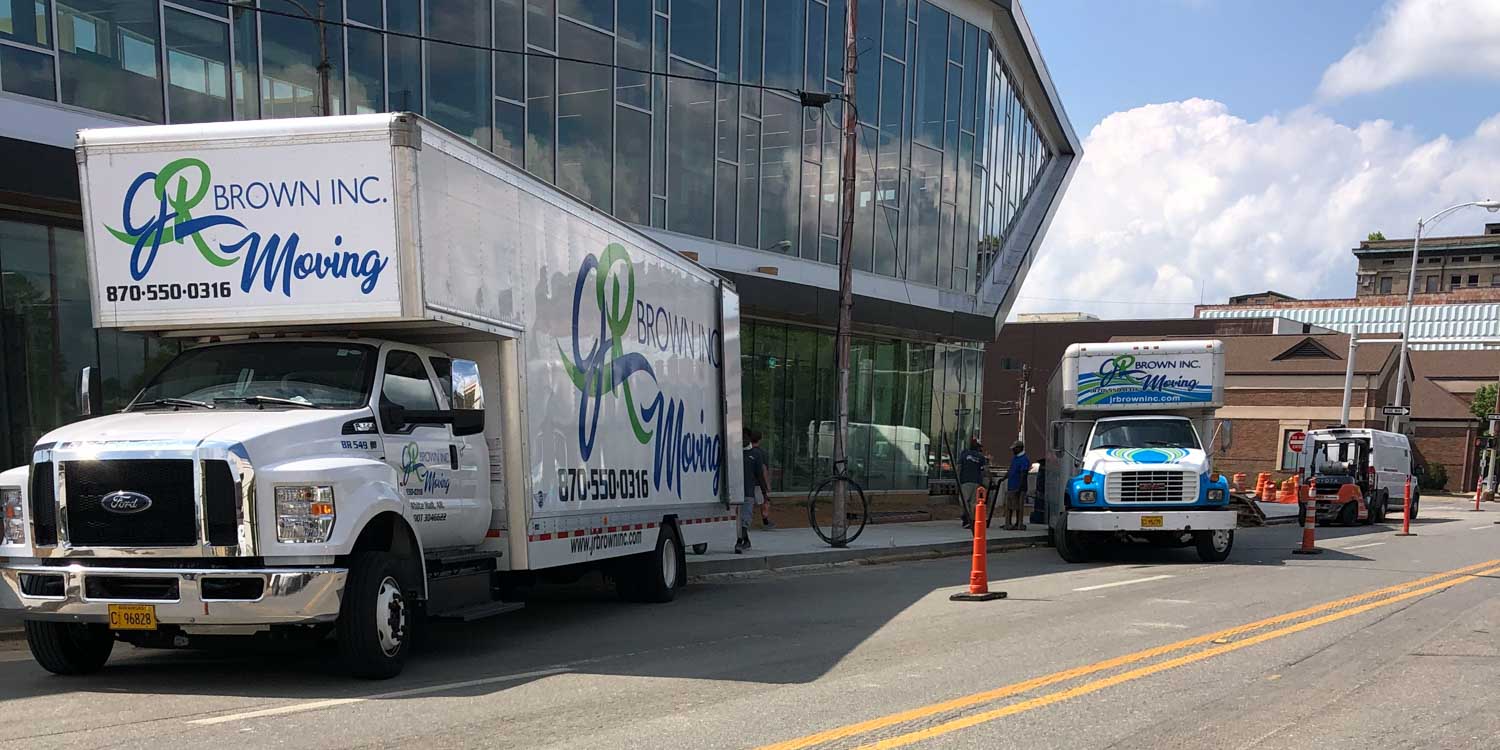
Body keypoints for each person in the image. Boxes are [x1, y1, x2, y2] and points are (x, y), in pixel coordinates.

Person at [738, 429, 772, 553]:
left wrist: (764, 492)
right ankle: (744, 540)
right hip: (735, 492)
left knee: (745, 518)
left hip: (748, 492)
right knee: (738, 519)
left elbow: (760, 474)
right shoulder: (734, 454)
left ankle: (741, 542)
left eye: (745, 437)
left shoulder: (755, 455)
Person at [957, 437, 988, 529]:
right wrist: (986, 481)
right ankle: (972, 519)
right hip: (976, 482)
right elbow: (984, 471)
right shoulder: (981, 457)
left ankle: (966, 519)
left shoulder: (964, 454)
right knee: (973, 502)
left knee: (964, 501)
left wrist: (958, 480)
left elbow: (959, 467)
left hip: (965, 481)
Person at [1005, 441, 1031, 530]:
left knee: (1019, 507)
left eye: (1014, 449)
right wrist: (1004, 478)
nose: (1013, 450)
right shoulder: (1015, 458)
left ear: (1020, 448)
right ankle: (1008, 523)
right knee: (1010, 506)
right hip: (1011, 485)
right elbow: (1011, 470)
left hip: (1018, 486)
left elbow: (1023, 474)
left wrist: (1020, 487)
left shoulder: (1024, 459)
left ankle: (1019, 523)